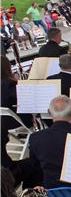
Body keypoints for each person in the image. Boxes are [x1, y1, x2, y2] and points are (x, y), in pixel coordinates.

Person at [1, 57, 41, 188]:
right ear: (8, 68)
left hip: (6, 122)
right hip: (18, 124)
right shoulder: (11, 84)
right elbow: (26, 102)